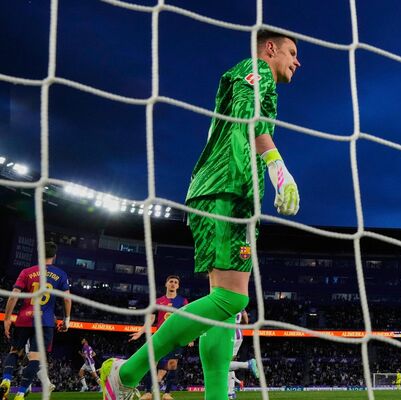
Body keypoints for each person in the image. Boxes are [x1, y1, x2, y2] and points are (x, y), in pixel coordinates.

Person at [100, 28, 301, 400]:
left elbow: (252, 128)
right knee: (233, 301)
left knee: (223, 312)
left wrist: (272, 170)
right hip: (227, 189)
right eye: (291, 52)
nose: (297, 61)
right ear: (270, 49)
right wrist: (279, 169)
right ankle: (126, 372)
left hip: (230, 193)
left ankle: (214, 394)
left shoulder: (255, 81)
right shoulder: (255, 70)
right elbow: (248, 116)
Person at [0, 241, 71, 399]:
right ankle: (20, 393)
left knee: (14, 351)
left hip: (24, 319)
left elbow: (14, 296)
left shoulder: (26, 272)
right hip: (45, 322)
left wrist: (7, 319)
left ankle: (6, 379)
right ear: (54, 256)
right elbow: (67, 299)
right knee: (35, 358)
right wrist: (67, 319)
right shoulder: (61, 274)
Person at [129, 276, 192, 400]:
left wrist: (190, 337)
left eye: (175, 282)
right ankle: (148, 392)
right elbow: (151, 319)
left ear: (178, 286)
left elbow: (187, 320)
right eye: (171, 282)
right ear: (166, 284)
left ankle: (167, 393)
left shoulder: (183, 301)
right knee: (152, 363)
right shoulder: (158, 301)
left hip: (176, 336)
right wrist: (141, 332)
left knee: (173, 364)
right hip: (160, 336)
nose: (173, 284)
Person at [227, 310, 258, 399]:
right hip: (239, 334)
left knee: (224, 363)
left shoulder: (225, 301)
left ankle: (247, 364)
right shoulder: (240, 304)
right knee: (229, 362)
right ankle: (231, 392)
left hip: (230, 335)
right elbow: (246, 321)